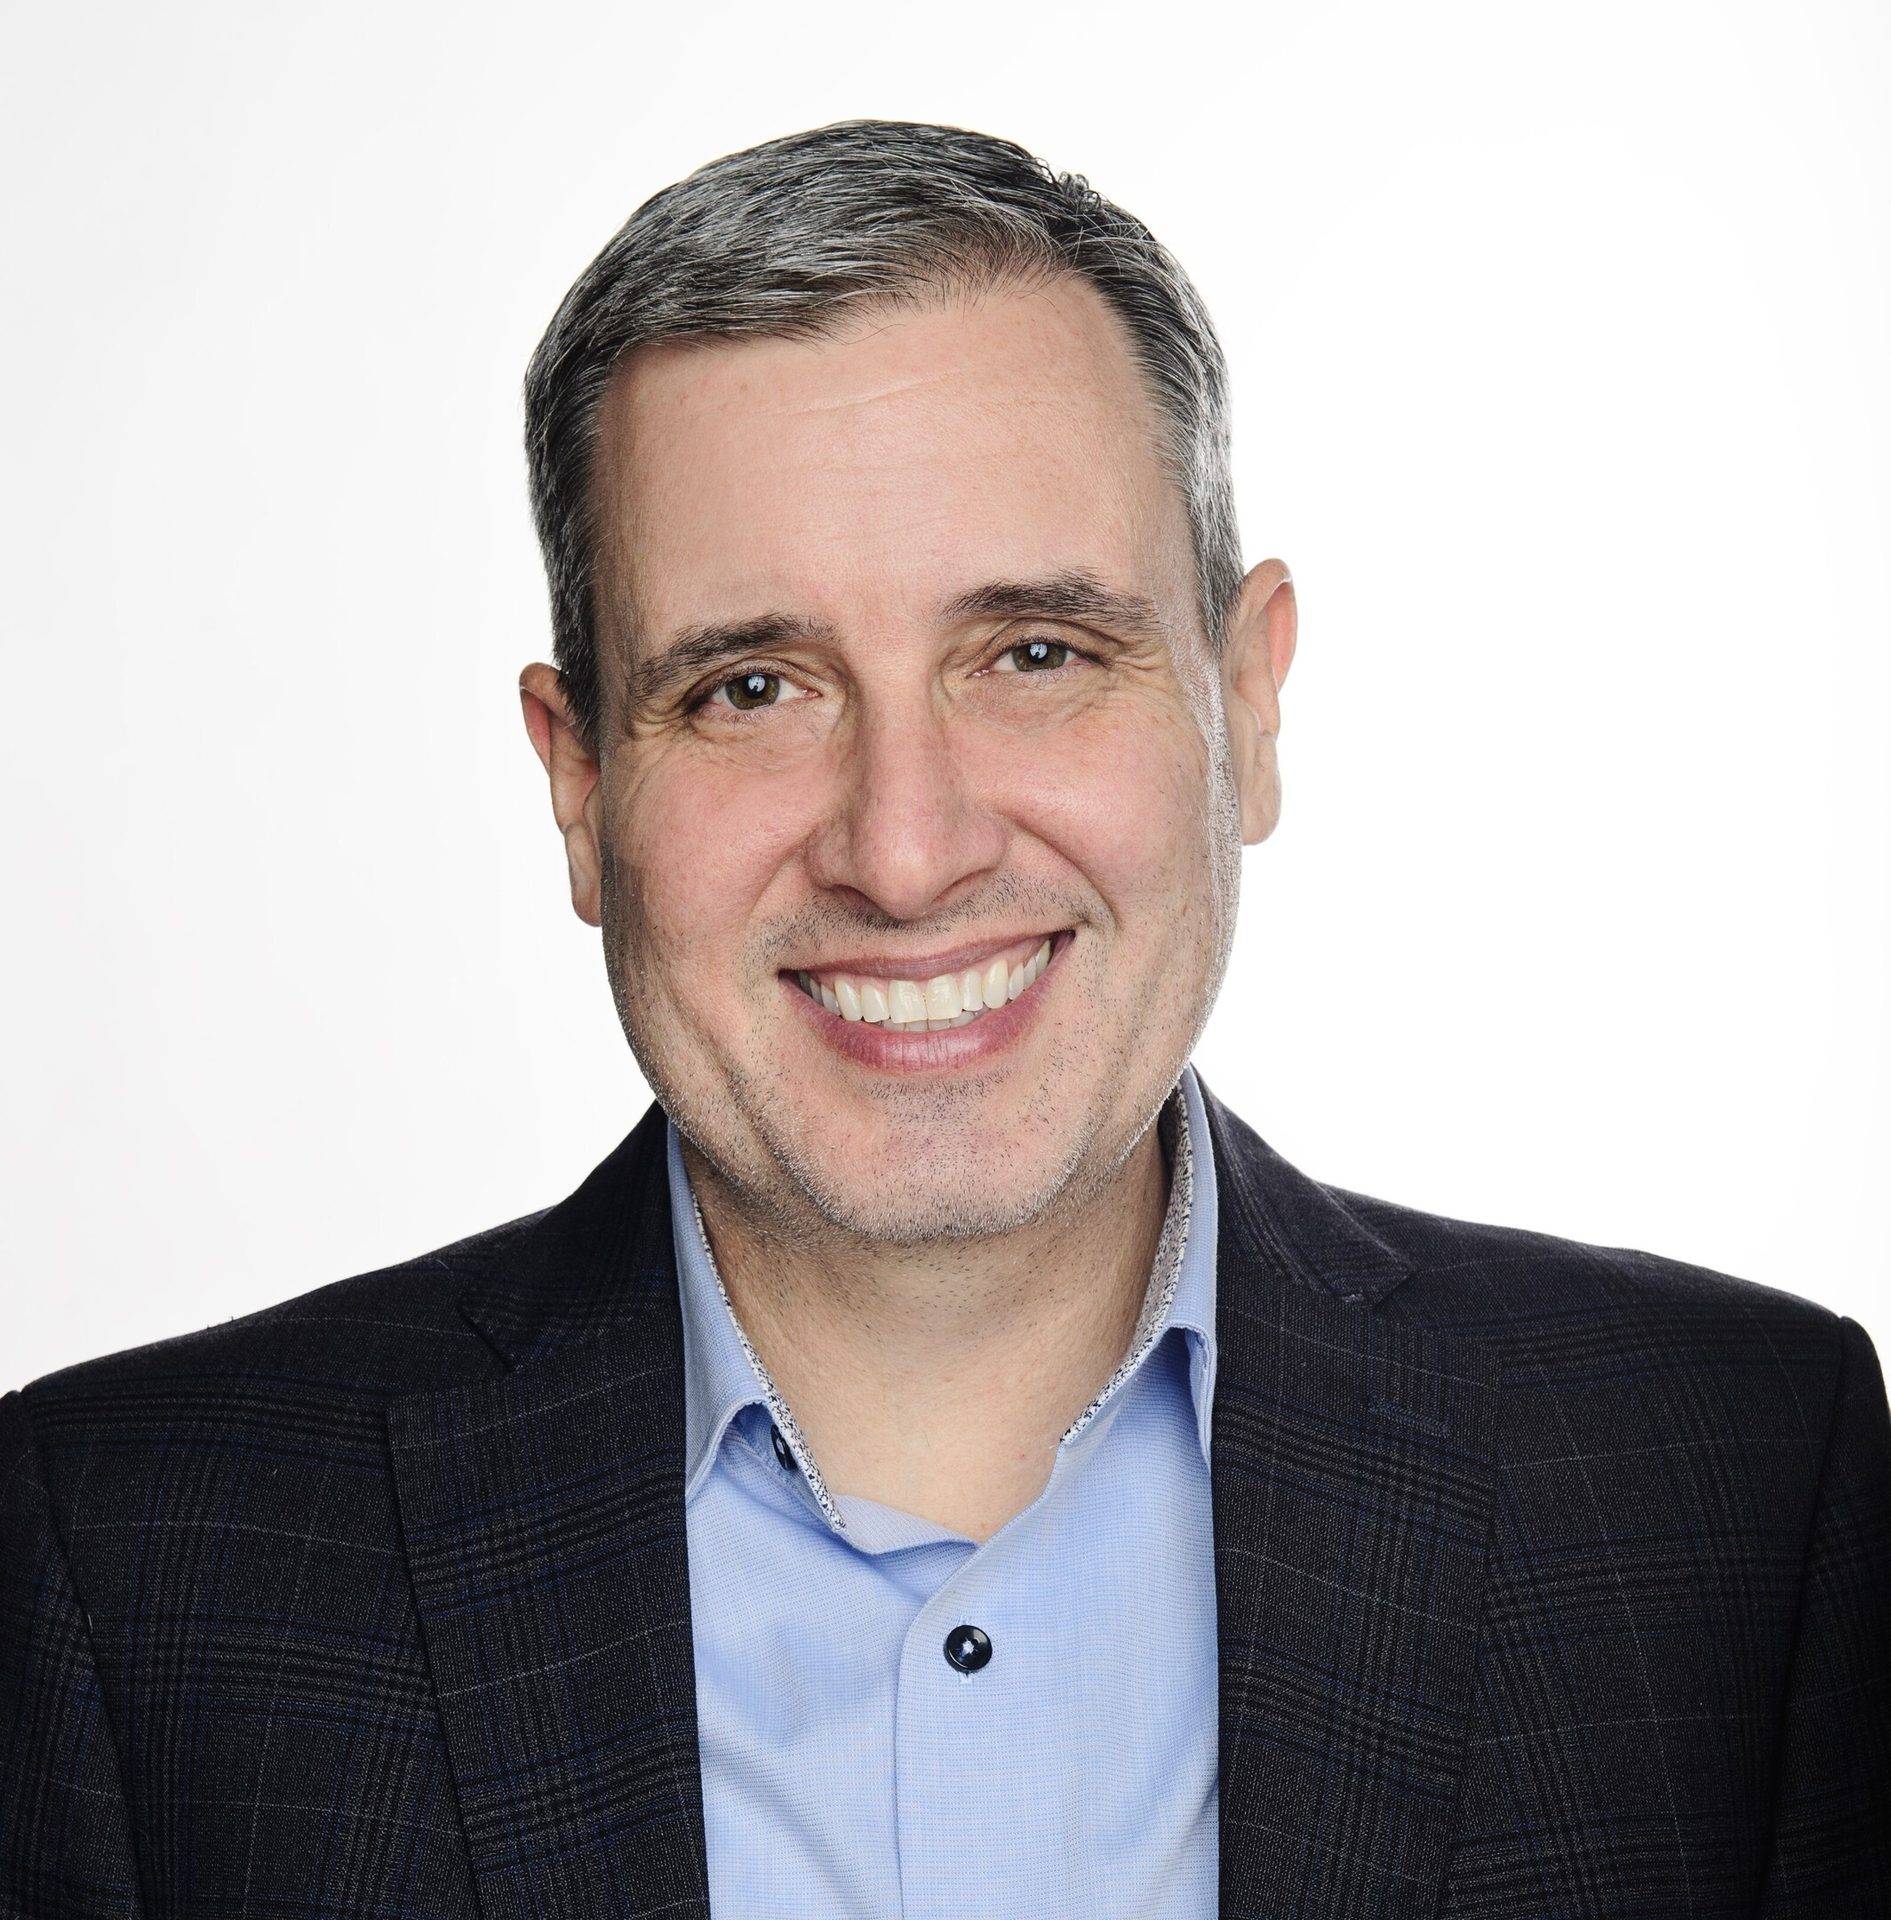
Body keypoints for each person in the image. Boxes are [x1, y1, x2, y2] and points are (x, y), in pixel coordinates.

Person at [3, 119, 1885, 1920]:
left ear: (1251, 703)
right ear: (580, 788)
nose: (905, 853)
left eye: (1037, 655)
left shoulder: (1734, 1484)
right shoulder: (123, 1567)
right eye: (751, 686)